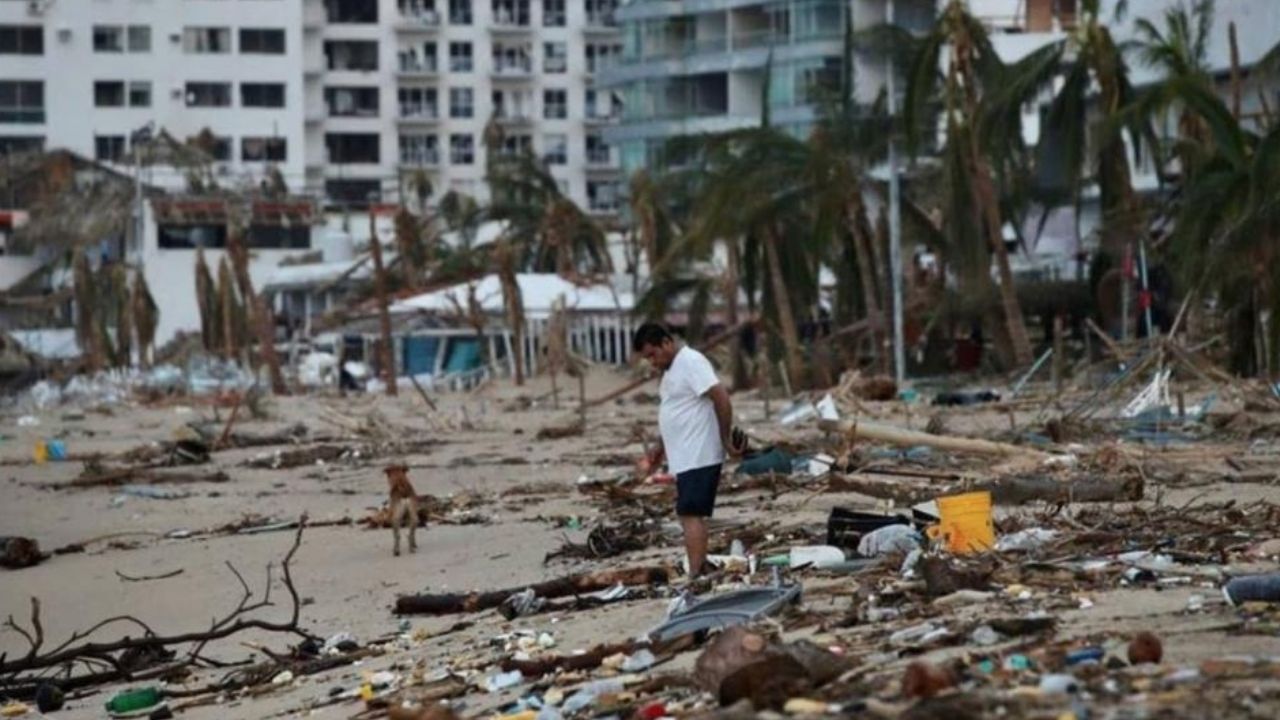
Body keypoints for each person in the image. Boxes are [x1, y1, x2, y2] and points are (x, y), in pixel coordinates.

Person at [633, 323, 743, 578]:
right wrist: (659, 451)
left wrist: (725, 439)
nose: (651, 362)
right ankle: (700, 566)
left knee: (690, 513)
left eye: (652, 354)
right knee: (689, 513)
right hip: (686, 456)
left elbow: (721, 397)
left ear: (666, 343)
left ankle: (695, 572)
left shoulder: (691, 361)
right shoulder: (672, 371)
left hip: (700, 453)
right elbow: (676, 411)